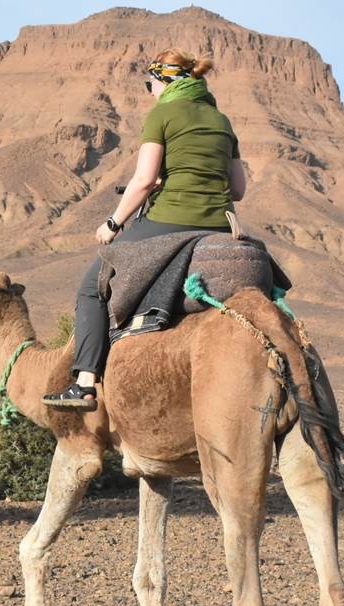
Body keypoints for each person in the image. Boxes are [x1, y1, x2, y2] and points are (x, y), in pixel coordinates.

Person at [43, 49, 246, 409]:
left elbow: (143, 180)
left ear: (164, 80)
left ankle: (85, 383)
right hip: (220, 224)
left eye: (149, 83)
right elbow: (239, 190)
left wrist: (112, 223)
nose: (149, 90)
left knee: (91, 288)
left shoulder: (163, 114)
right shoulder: (222, 121)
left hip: (171, 219)